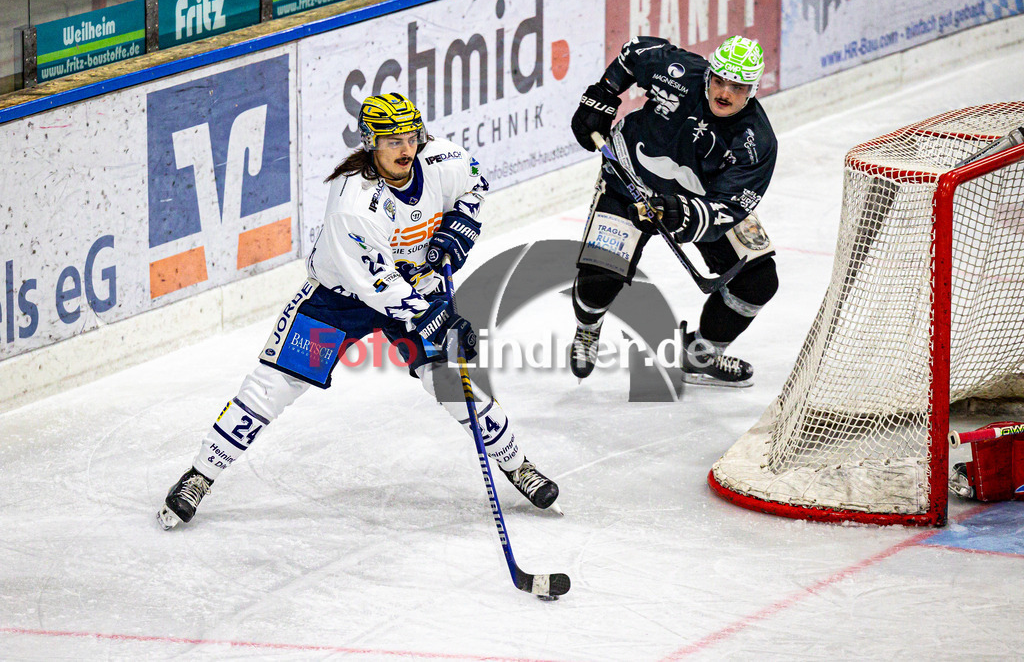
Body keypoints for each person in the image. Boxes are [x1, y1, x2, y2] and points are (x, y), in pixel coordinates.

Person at [158, 93, 560, 529]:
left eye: (411, 137)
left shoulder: (443, 159)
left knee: (451, 379)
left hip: (418, 285)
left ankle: (516, 464)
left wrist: (461, 223)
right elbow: (380, 287)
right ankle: (199, 476)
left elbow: (476, 183)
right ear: (371, 144)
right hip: (341, 300)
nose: (407, 150)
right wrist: (440, 319)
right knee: (273, 385)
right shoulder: (353, 204)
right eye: (393, 142)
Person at [568, 35, 779, 387]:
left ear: (753, 89)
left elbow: (728, 208)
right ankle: (588, 329)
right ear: (709, 73)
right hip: (628, 180)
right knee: (597, 281)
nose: (723, 93)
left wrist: (682, 213)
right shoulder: (679, 72)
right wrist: (604, 93)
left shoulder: (755, 143)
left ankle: (701, 354)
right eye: (719, 80)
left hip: (696, 202)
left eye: (738, 86)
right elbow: (635, 52)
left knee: (757, 281)